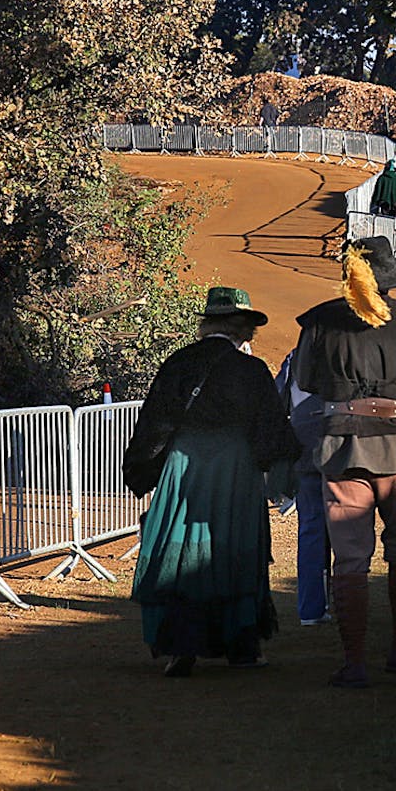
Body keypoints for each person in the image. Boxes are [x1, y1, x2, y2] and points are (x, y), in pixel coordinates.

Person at [293, 236, 396, 688]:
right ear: (392, 278)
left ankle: (354, 662)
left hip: (342, 449)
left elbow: (305, 378)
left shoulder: (319, 321)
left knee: (349, 557)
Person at [123, 288, 298, 677]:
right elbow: (271, 427)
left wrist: (142, 469)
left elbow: (155, 421)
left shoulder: (178, 362)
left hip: (183, 469)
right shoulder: (251, 371)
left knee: (181, 549)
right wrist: (281, 468)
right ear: (244, 329)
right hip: (235, 470)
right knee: (236, 551)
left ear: (208, 323)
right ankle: (242, 649)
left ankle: (180, 647)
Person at [274, 348, 332, 626]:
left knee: (311, 529)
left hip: (306, 448)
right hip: (344, 449)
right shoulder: (351, 349)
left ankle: (312, 608)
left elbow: (277, 400)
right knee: (350, 532)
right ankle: (344, 605)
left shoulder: (296, 356)